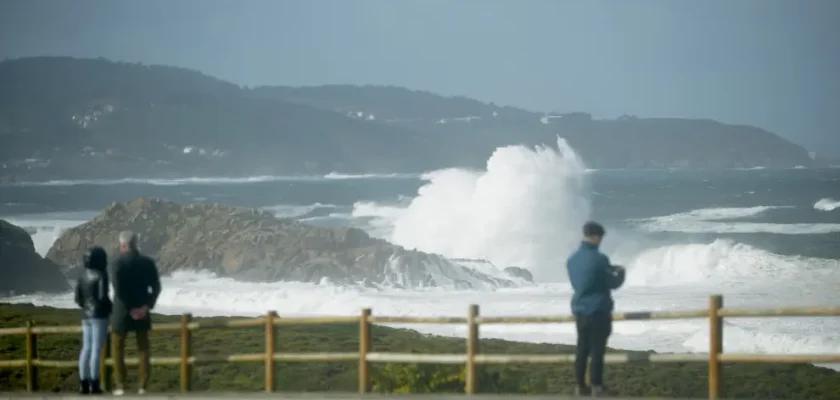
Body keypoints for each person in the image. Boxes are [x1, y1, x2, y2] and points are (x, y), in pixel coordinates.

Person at [566, 221, 625, 397]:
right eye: (600, 238)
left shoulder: (572, 260)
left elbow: (583, 280)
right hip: (598, 310)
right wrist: (621, 273)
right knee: (597, 350)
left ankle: (580, 386)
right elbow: (612, 283)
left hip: (580, 310)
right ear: (596, 237)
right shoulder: (600, 259)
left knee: (582, 349)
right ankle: (597, 387)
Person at [109, 231, 161, 396]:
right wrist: (146, 307)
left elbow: (118, 288)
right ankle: (143, 387)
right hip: (142, 311)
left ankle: (120, 385)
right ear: (135, 243)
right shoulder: (147, 262)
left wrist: (130, 308)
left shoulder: (116, 263)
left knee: (118, 348)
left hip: (121, 311)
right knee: (143, 348)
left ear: (123, 244)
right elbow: (157, 287)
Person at [74, 246, 112, 395]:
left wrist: (86, 308)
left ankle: (83, 384)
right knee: (96, 349)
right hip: (99, 316)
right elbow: (103, 297)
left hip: (86, 316)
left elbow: (78, 298)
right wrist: (110, 310)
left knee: (86, 349)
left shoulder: (82, 276)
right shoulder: (102, 275)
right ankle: (95, 384)